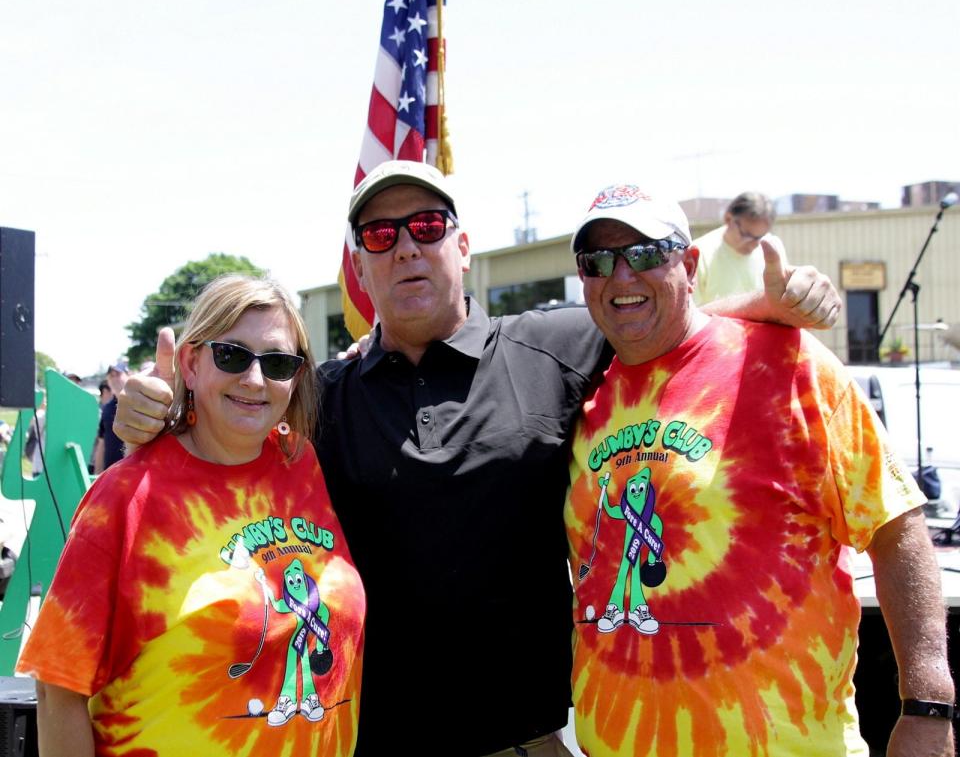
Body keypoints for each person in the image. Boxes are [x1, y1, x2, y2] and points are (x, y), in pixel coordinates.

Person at [114, 161, 841, 757]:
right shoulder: (320, 396)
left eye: (428, 227)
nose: (406, 246)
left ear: (462, 248)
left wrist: (771, 304)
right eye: (380, 233)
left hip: (534, 741)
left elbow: (655, 314)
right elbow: (230, 429)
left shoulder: (557, 346)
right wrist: (158, 410)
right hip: (377, 740)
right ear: (359, 267)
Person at [564, 183, 954, 757]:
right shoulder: (582, 398)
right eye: (598, 262)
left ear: (690, 264)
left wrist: (929, 705)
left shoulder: (788, 364)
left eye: (646, 254)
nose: (621, 277)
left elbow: (897, 528)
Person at [17, 275, 365, 757]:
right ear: (191, 362)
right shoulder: (127, 495)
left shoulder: (301, 463)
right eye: (232, 355)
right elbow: (58, 690)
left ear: (298, 376)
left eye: (279, 363)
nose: (255, 379)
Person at [693, 191, 787, 304]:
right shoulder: (699, 252)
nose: (755, 244)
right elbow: (693, 312)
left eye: (760, 237)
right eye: (746, 235)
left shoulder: (772, 248)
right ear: (728, 219)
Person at [93, 362, 129, 473]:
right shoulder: (107, 408)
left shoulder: (138, 404)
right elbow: (101, 442)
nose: (114, 379)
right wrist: (97, 474)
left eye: (118, 374)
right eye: (111, 376)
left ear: (128, 375)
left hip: (133, 473)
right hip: (110, 473)